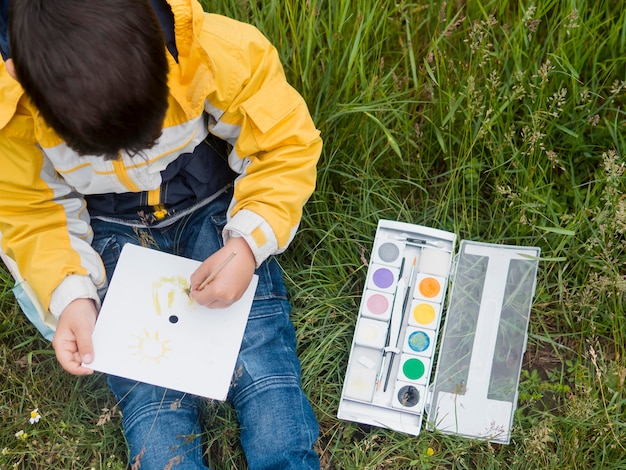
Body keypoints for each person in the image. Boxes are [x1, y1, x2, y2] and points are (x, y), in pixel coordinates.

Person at [0, 0, 322, 468]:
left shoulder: (211, 49)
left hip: (208, 204)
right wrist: (70, 296)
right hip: (105, 228)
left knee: (257, 353)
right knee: (149, 389)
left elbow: (283, 144)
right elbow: (28, 212)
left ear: (160, 44)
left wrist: (247, 243)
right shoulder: (12, 111)